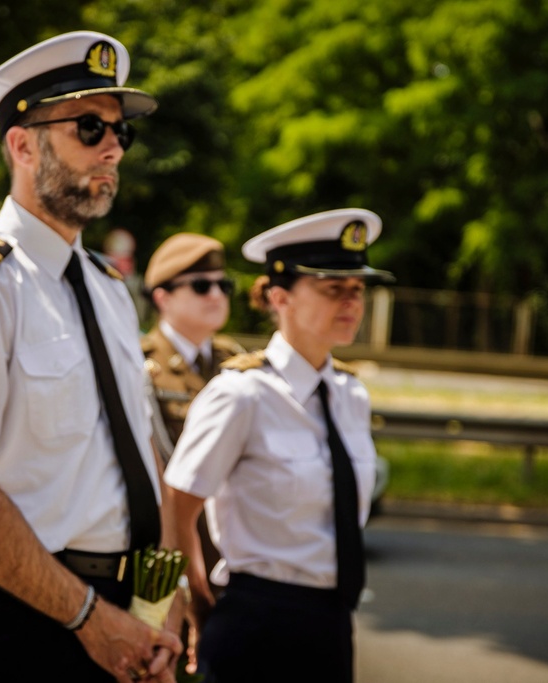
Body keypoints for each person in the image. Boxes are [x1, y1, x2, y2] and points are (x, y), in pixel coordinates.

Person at [0, 31, 183, 683]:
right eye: (90, 127)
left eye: (120, 131)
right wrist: (89, 618)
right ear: (23, 145)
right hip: (22, 619)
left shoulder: (110, 288)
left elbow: (145, 458)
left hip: (126, 612)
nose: (113, 147)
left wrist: (161, 611)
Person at [163, 208, 396, 682]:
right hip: (256, 622)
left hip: (333, 620)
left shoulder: (350, 394)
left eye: (357, 289)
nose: (351, 301)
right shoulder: (241, 393)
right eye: (332, 288)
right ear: (279, 296)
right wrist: (197, 601)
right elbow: (178, 505)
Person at [140, 233, 244, 463]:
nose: (216, 295)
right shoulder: (139, 363)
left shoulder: (234, 356)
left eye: (223, 285)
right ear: (163, 298)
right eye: (201, 286)